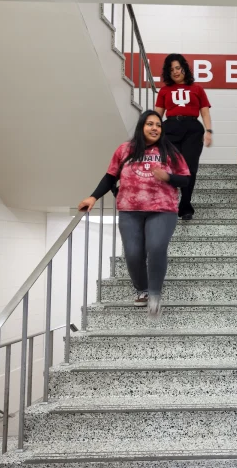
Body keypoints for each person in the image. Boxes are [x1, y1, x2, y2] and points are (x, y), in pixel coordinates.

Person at [79, 110, 190, 318]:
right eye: (150, 124)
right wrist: (93, 197)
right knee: (133, 254)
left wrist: (168, 177)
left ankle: (155, 294)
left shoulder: (170, 151)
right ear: (141, 127)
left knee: (156, 247)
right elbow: (110, 176)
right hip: (130, 210)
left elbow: (185, 180)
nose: (155, 128)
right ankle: (143, 289)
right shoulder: (125, 150)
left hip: (162, 210)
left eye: (158, 125)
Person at [155, 53, 212, 221]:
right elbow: (158, 114)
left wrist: (209, 131)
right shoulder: (165, 90)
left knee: (190, 169)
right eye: (171, 69)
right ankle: (168, 203)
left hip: (193, 129)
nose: (175, 72)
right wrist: (152, 133)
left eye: (178, 68)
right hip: (170, 128)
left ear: (184, 68)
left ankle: (185, 206)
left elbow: (205, 112)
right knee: (170, 167)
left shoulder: (197, 88)